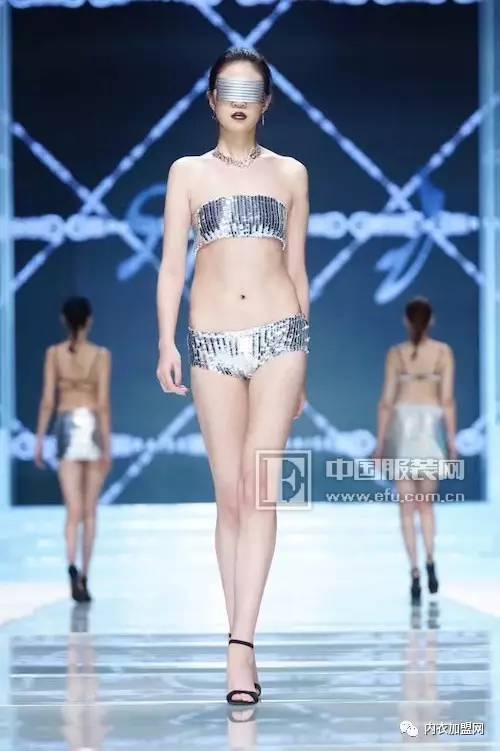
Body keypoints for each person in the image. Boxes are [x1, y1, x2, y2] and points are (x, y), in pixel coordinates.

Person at [156, 47, 310, 705]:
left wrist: (305, 361)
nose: (239, 101)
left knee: (261, 492)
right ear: (212, 99)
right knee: (230, 496)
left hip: (281, 337)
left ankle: (241, 646)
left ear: (267, 101)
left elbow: (297, 269)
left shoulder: (292, 174)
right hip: (210, 341)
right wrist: (165, 340)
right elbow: (172, 265)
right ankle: (237, 632)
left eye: (251, 90)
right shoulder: (187, 173)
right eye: (228, 89)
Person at [374, 297, 456, 605]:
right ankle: (431, 558)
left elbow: (386, 402)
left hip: (403, 431)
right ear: (431, 320)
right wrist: (452, 442)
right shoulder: (443, 353)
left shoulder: (396, 354)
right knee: (426, 506)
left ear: (406, 321)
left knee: (407, 508)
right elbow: (447, 401)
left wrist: (380, 444)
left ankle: (415, 572)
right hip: (431, 429)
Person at [35, 297, 112, 603]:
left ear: (63, 320)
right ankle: (85, 576)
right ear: (89, 320)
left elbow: (48, 401)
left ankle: (71, 564)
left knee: (73, 510)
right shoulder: (101, 355)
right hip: (91, 425)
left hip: (66, 427)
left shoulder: (54, 354)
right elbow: (103, 403)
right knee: (90, 511)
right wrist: (107, 445)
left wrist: (39, 440)